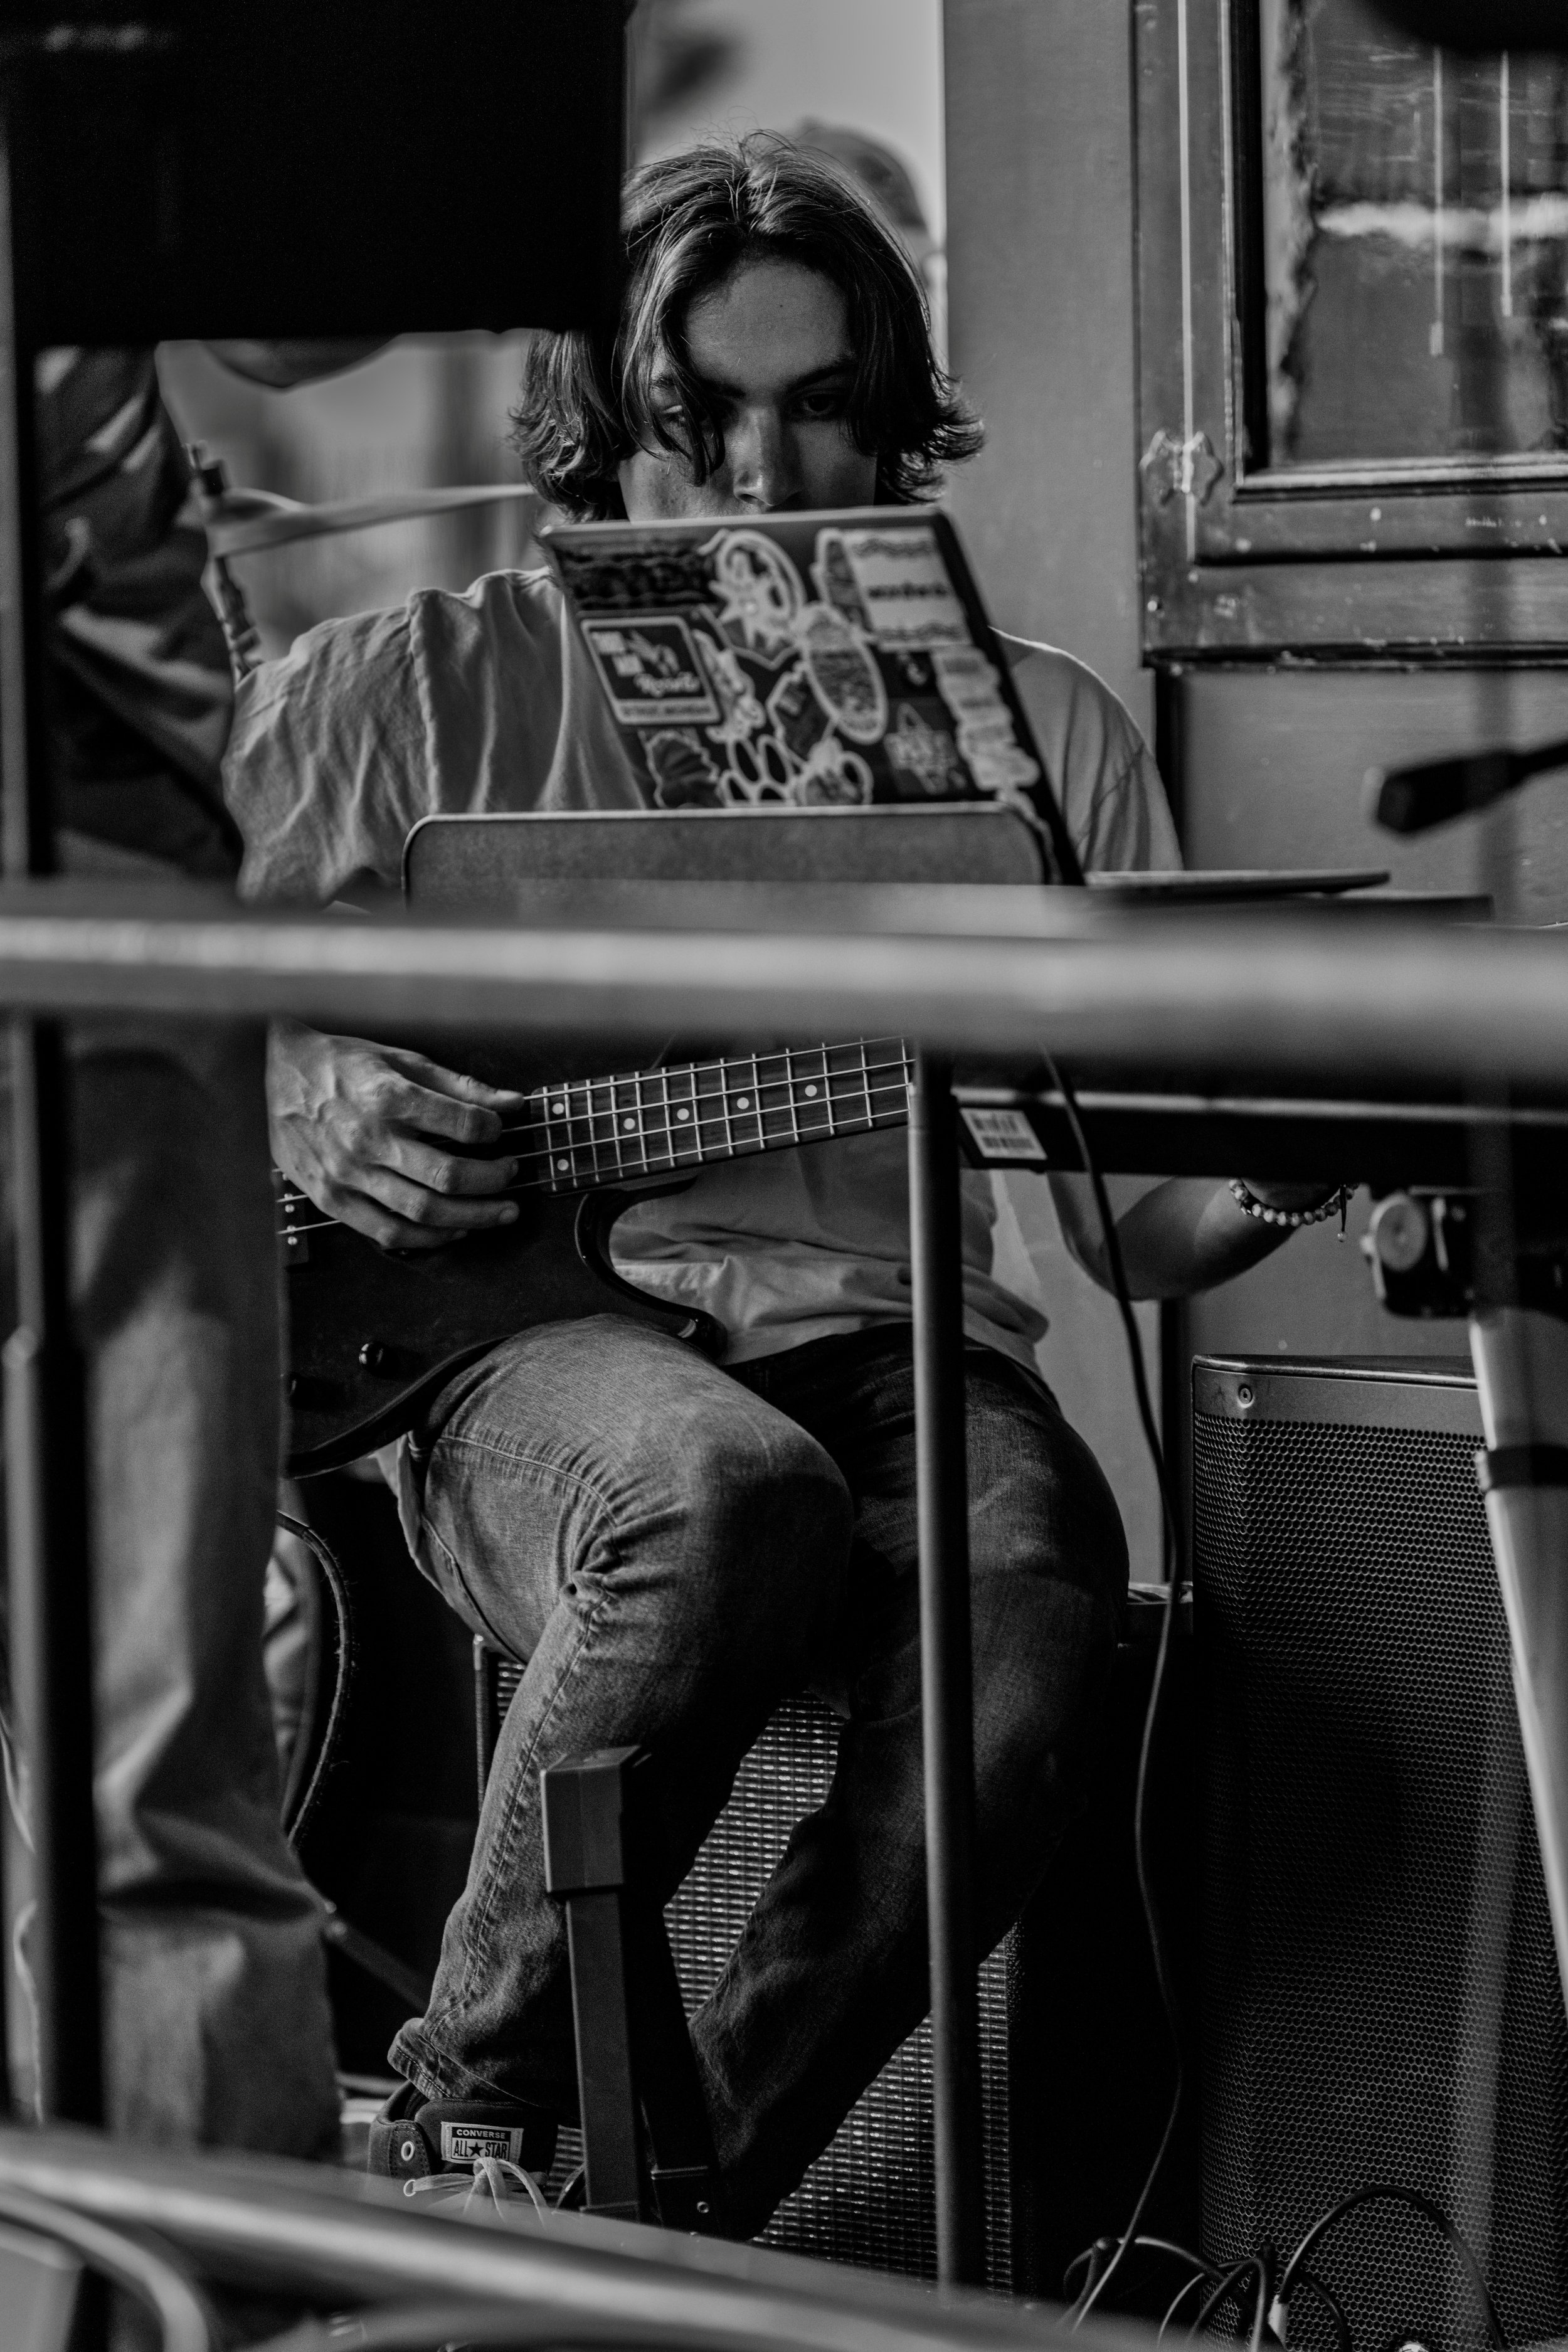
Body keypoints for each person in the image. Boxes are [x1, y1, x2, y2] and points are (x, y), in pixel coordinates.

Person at [226, 136, 1337, 2226]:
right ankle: (473, 2117)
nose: (757, 475)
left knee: (1028, 1634)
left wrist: (1282, 1176)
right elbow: (111, 1016)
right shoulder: (409, 689)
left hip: (892, 1334)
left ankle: (647, 2217)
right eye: (694, 418)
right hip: (500, 1346)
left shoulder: (1048, 740)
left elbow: (1134, 1215)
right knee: (725, 1495)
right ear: (605, 424)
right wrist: (299, 1082)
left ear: (890, 405)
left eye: (819, 403)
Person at [15, 341, 369, 2153]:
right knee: (155, 1773)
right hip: (94, 851)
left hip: (102, 845)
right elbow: (309, 303)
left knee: (147, 1759)